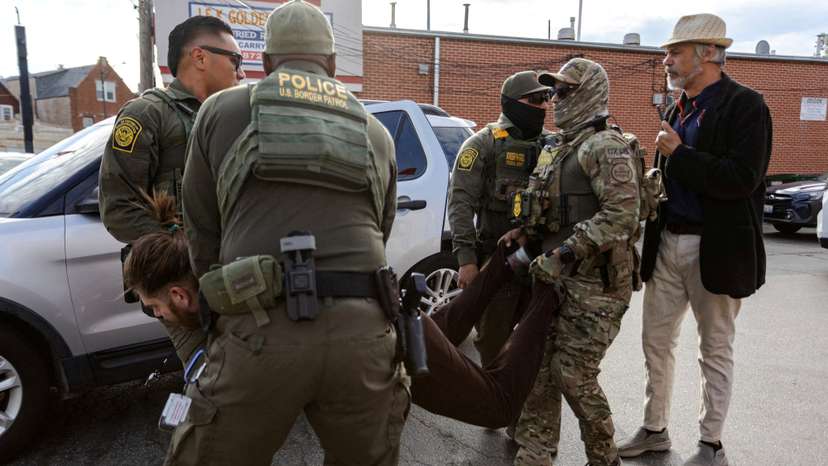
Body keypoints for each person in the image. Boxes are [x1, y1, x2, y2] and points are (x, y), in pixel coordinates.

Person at [124, 192, 566, 435]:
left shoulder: (232, 310)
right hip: (382, 304)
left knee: (498, 406)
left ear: (181, 294)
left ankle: (547, 287)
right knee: (442, 329)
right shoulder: (229, 256)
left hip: (380, 338)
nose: (158, 315)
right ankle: (511, 261)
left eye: (156, 307)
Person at [175, 1, 403, 464]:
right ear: (334, 65)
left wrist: (219, 302)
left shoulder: (223, 109)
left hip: (259, 327)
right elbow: (383, 227)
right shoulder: (375, 131)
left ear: (266, 61)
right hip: (365, 333)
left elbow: (201, 225)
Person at [617, 13, 772, 466]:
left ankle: (710, 443)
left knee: (715, 347)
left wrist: (679, 156)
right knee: (655, 342)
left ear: (707, 54)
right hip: (668, 243)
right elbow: (674, 176)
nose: (665, 60)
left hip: (716, 248)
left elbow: (741, 179)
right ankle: (654, 429)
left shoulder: (747, 106)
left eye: (674, 52)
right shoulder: (676, 107)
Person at [511, 58, 642, 466]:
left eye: (565, 91)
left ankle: (604, 458)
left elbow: (622, 216)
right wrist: (525, 234)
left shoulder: (605, 147)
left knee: (574, 375)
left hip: (595, 286)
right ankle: (535, 455)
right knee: (538, 373)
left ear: (589, 92)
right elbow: (552, 208)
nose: (556, 100)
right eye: (554, 92)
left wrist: (566, 253)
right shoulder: (559, 146)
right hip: (555, 281)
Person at [98, 15, 245, 364]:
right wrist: (182, 251)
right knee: (210, 380)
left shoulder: (232, 115)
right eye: (235, 60)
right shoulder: (148, 114)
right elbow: (119, 208)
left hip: (237, 277)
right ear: (199, 57)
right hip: (185, 286)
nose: (241, 73)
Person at [447, 70, 552, 366]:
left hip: (542, 262)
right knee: (493, 342)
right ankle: (494, 401)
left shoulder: (553, 146)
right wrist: (467, 261)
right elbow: (460, 203)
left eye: (547, 98)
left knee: (539, 346)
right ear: (512, 103)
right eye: (536, 99)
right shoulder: (483, 144)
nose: (544, 105)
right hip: (497, 262)